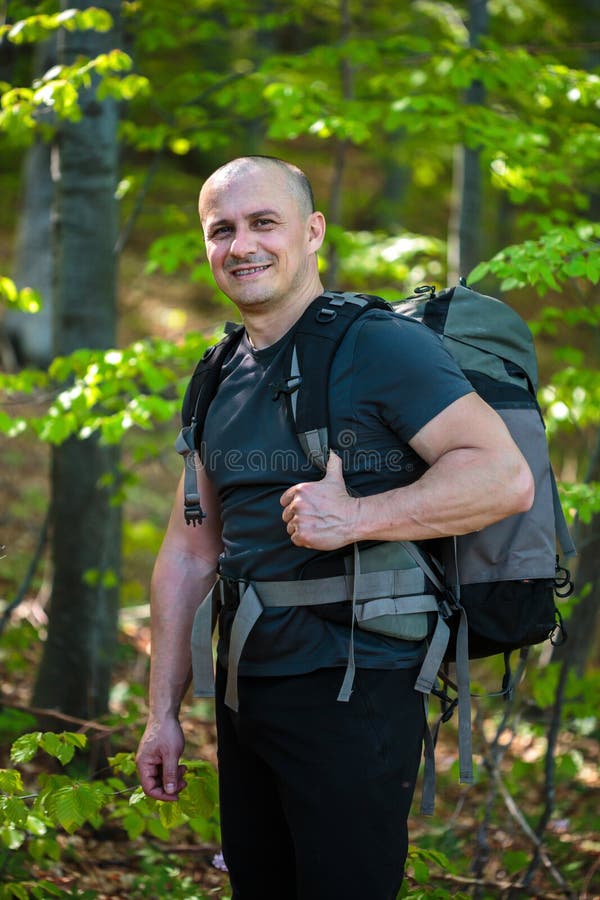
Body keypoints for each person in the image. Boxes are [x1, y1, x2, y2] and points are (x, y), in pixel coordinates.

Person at [136, 155, 534, 900]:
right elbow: (189, 550)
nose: (242, 245)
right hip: (248, 690)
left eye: (264, 222)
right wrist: (162, 714)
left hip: (358, 688)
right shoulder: (218, 371)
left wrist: (358, 517)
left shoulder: (377, 346)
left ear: (313, 231)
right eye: (222, 230)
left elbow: (503, 476)